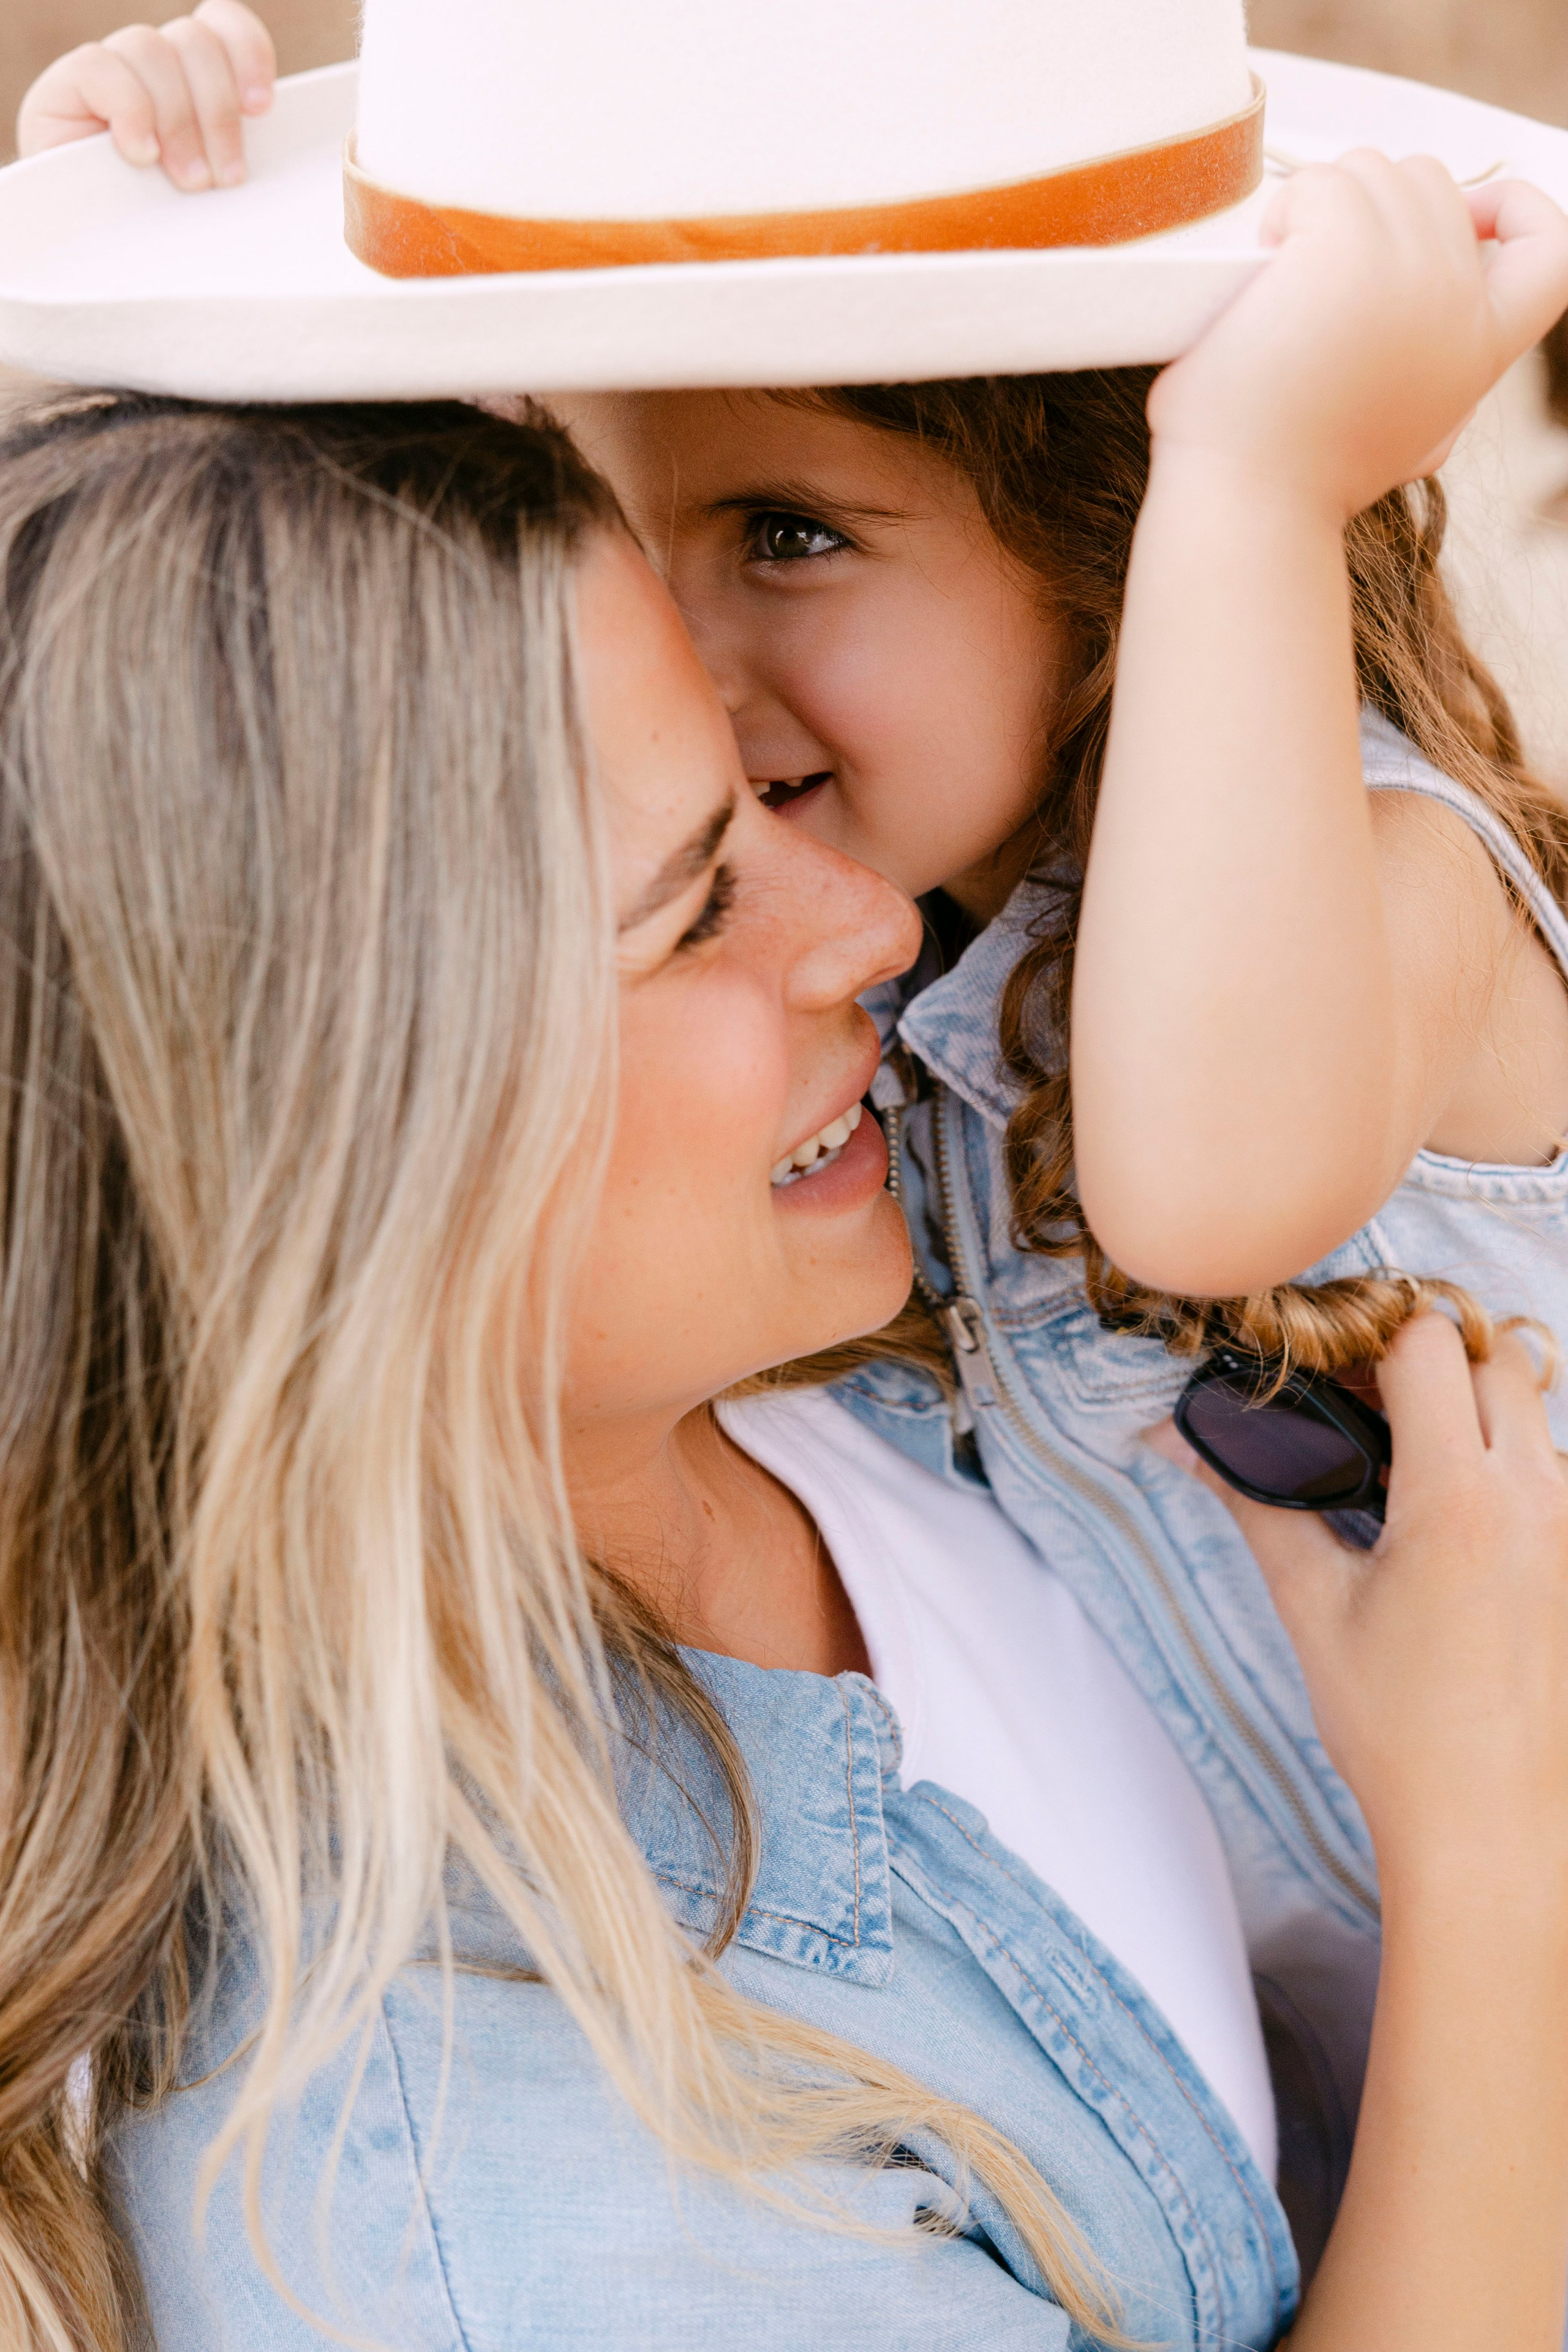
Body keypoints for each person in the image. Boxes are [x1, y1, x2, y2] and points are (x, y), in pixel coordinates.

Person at [21, 0, 1568, 2275]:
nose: (700, 665)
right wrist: (167, 258)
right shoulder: (875, 967)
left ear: (1116, 536)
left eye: (785, 534)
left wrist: (1258, 475)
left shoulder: (1381, 872)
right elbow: (351, 748)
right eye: (627, 511)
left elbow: (1206, 1181)